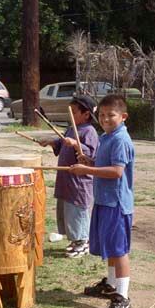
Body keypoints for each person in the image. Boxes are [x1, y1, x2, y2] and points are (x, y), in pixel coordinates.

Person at [69, 94, 135, 308]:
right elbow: (104, 165)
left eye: (111, 115)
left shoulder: (120, 140)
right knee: (109, 247)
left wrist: (86, 170)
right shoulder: (107, 137)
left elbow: (117, 172)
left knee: (119, 250)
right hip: (104, 200)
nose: (105, 119)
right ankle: (110, 284)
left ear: (123, 117)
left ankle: (123, 299)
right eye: (102, 115)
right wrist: (90, 162)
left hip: (116, 204)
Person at [38, 95, 99, 258]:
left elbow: (91, 154)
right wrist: (52, 142)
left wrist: (76, 144)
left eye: (74, 112)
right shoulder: (71, 128)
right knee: (67, 211)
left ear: (86, 114)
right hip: (66, 179)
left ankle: (83, 241)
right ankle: (75, 240)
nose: (70, 114)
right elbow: (62, 142)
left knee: (77, 211)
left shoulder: (89, 131)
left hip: (79, 181)